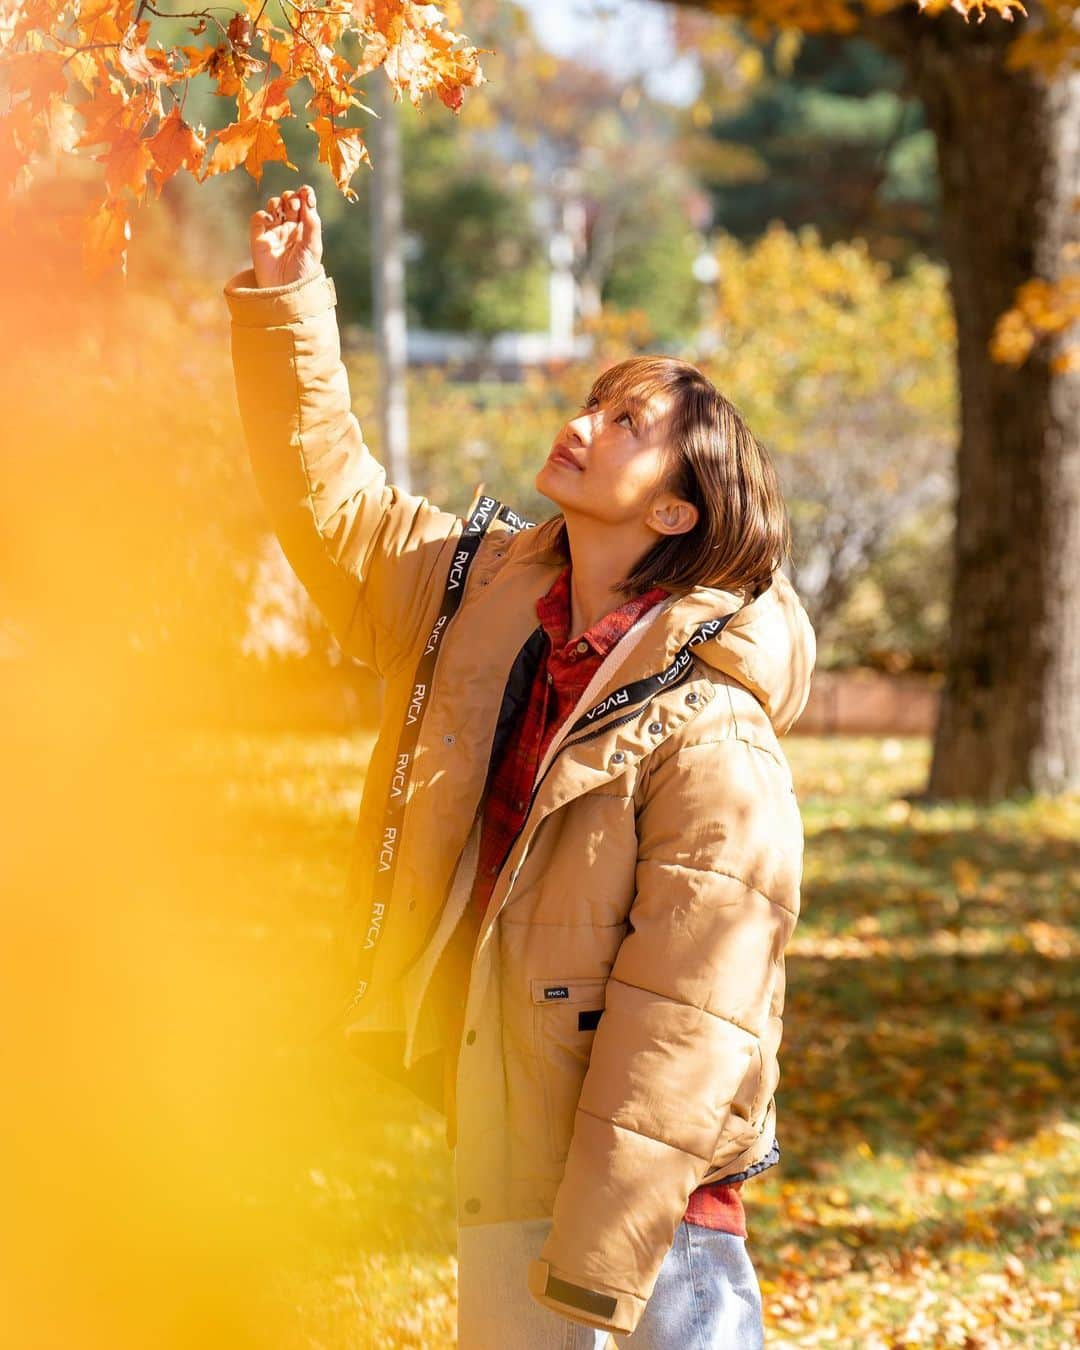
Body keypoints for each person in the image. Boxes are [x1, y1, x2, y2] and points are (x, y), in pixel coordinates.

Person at [223, 183, 816, 1349]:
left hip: (659, 1225)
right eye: (596, 403)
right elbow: (336, 513)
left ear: (679, 512)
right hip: (504, 1153)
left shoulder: (713, 732)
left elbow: (694, 1013)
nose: (586, 424)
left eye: (629, 424)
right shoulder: (482, 596)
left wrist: (598, 1264)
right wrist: (289, 301)